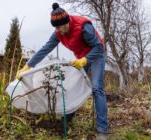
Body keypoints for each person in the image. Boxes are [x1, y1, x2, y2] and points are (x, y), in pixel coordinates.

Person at [17, 2, 108, 137]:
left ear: (67, 23)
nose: (58, 31)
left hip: (96, 55)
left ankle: (102, 129)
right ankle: (67, 119)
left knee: (96, 88)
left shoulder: (83, 27)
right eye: (56, 28)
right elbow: (45, 49)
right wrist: (28, 66)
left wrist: (85, 60)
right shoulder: (58, 33)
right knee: (72, 86)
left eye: (60, 27)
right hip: (80, 57)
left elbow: (99, 47)